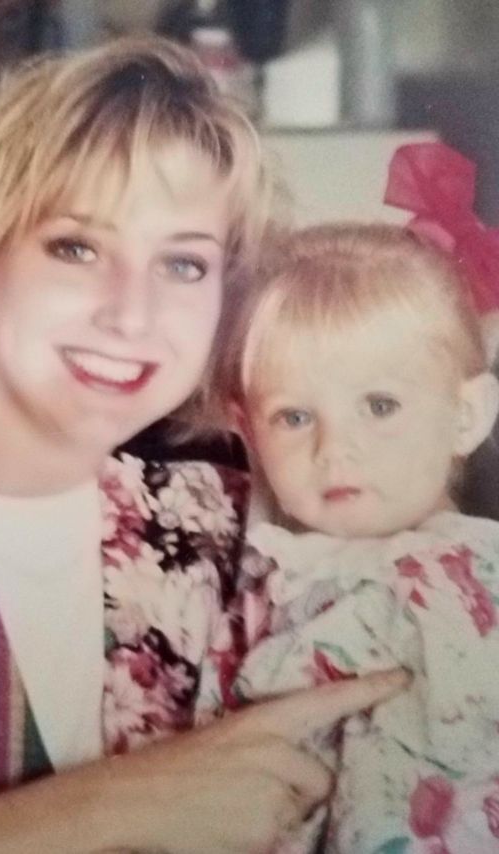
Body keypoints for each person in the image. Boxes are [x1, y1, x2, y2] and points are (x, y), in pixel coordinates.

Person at [0, 35, 409, 853]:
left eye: (183, 265)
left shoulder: (263, 519)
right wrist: (103, 808)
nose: (131, 314)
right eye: (75, 247)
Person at [216, 154, 499, 852]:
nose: (335, 450)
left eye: (379, 405)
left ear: (467, 415)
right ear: (247, 430)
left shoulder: (479, 576)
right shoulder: (258, 575)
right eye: (294, 417)